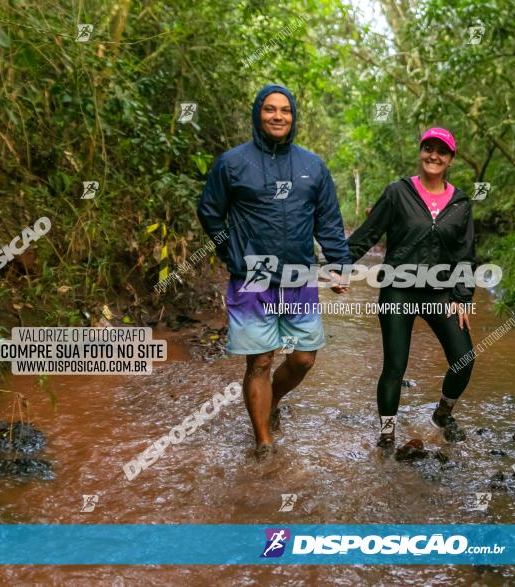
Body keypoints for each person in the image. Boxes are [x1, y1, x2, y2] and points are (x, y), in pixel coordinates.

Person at [197, 84, 350, 460]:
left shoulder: (312, 166)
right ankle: (263, 442)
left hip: (299, 274)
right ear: (258, 114)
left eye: (285, 110)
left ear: (293, 117)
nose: (278, 116)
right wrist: (231, 252)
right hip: (254, 276)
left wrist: (339, 265)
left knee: (303, 358)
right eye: (269, 109)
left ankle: (274, 398)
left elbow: (328, 220)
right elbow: (210, 211)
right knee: (261, 360)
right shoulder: (233, 163)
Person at [348, 127, 476, 448]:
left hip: (441, 292)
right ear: (421, 152)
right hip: (398, 290)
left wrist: (462, 297)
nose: (434, 156)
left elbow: (465, 253)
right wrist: (336, 264)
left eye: (441, 151)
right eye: (428, 149)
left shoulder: (460, 202)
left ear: (450, 159)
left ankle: (442, 415)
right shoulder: (398, 192)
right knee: (394, 366)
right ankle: (387, 434)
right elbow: (368, 233)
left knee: (464, 358)